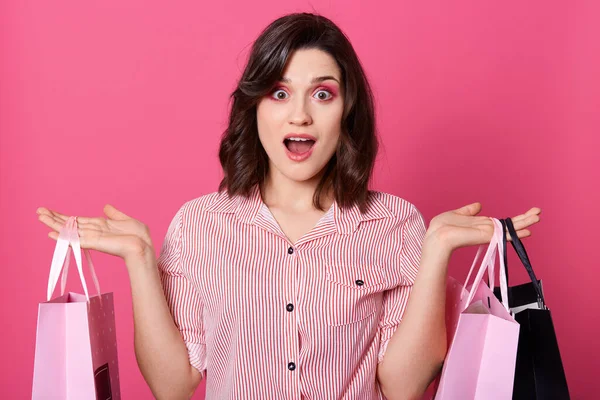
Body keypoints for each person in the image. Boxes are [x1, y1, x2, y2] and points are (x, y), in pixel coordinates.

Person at [36, 12, 541, 400]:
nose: (299, 115)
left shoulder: (395, 224)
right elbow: (173, 386)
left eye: (323, 94)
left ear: (347, 111)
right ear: (254, 105)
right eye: (279, 92)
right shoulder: (198, 225)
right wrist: (142, 260)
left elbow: (403, 387)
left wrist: (436, 251)